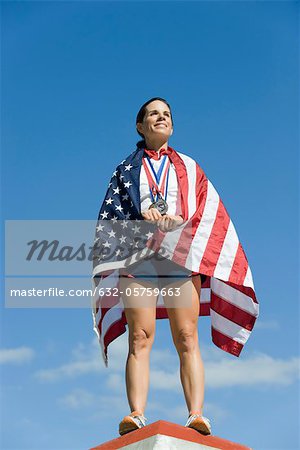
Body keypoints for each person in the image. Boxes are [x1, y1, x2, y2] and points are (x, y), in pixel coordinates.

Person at [92, 97, 259, 437]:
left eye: (166, 114)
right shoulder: (125, 170)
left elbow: (207, 211)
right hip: (138, 259)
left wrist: (179, 220)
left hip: (180, 258)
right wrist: (141, 219)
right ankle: (136, 414)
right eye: (153, 114)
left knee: (186, 336)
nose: (161, 118)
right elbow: (110, 222)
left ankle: (196, 415)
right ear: (140, 126)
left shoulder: (189, 166)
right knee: (140, 336)